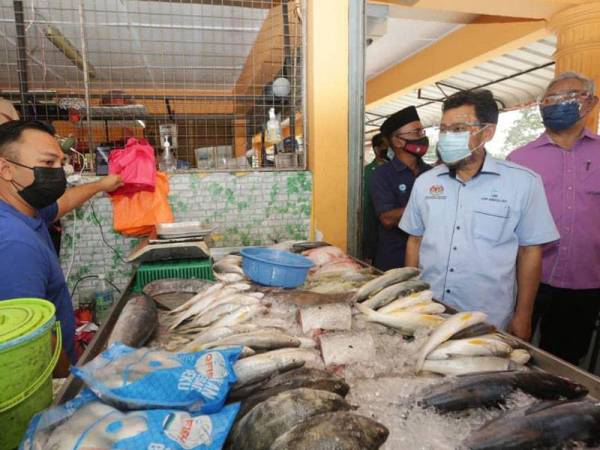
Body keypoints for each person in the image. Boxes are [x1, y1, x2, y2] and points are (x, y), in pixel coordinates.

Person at [399, 90, 559, 340]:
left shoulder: (523, 183)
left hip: (486, 319)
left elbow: (530, 252)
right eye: (443, 129)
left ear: (487, 132)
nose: (447, 137)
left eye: (459, 128)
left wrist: (523, 315)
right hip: (428, 310)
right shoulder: (425, 183)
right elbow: (415, 240)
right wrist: (408, 297)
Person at [0, 120, 123, 375]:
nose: (59, 172)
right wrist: (71, 384)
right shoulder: (14, 243)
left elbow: (63, 202)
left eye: (60, 163)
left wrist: (101, 185)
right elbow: (34, 337)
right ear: (6, 169)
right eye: (48, 163)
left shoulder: (24, 209)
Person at [507, 72, 600, 364]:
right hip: (526, 278)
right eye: (550, 99)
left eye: (569, 97)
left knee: (564, 363)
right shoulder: (520, 160)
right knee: (512, 354)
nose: (558, 104)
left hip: (584, 282)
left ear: (591, 102)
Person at [369, 106, 431, 271]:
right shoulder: (382, 175)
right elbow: (387, 220)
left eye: (422, 132)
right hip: (392, 262)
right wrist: (428, 204)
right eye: (416, 132)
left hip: (429, 262)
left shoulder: (432, 174)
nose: (422, 137)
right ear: (397, 141)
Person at [362, 133, 389, 262]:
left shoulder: (397, 171)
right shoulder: (367, 173)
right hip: (375, 235)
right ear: (377, 149)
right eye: (387, 147)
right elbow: (367, 210)